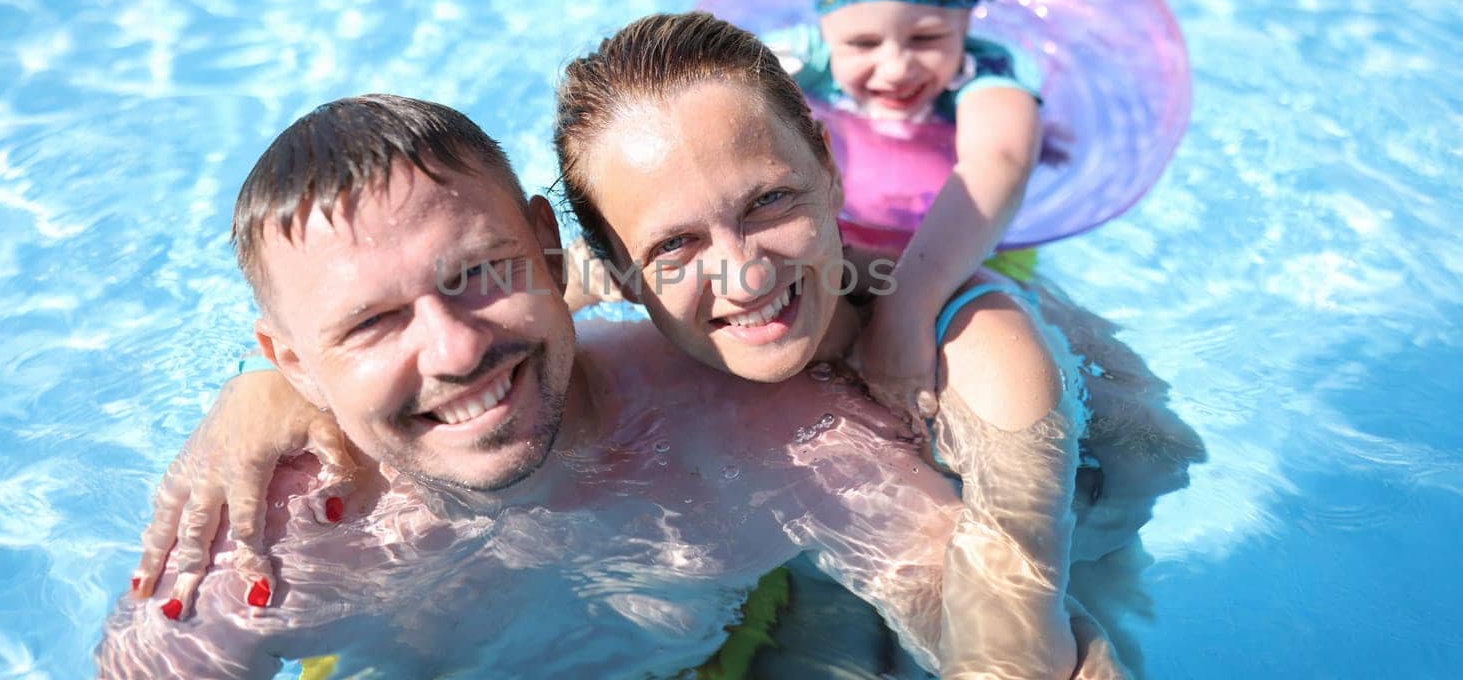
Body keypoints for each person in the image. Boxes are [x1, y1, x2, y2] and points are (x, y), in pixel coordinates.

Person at [96, 94, 1126, 678]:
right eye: (371, 324)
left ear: (548, 249)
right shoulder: (284, 544)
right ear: (291, 364)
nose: (453, 351)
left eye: (477, 274)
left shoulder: (755, 429)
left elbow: (996, 622)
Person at [555, 11, 1087, 677]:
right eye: (675, 242)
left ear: (829, 168)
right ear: (620, 272)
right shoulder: (629, 344)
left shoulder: (977, 350)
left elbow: (1021, 632)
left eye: (769, 201)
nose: (746, 278)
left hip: (1076, 537)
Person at [765, 0, 1046, 413]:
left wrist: (907, 308)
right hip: (844, 254)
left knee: (1086, 368)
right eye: (863, 42)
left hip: (973, 261)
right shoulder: (804, 62)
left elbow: (1002, 158)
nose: (894, 69)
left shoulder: (984, 72)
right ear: (825, 28)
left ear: (967, 18)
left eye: (926, 38)